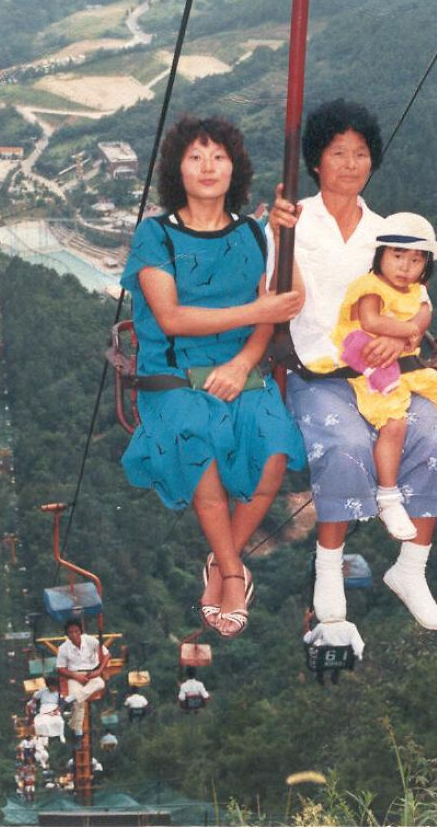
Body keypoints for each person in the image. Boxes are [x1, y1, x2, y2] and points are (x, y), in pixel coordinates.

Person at [268, 98, 437, 632]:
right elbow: (277, 295)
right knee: (345, 445)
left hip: (385, 367)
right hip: (320, 367)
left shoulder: (387, 232)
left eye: (361, 154)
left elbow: (413, 298)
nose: (351, 164)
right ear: (317, 160)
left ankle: (412, 567)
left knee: (430, 433)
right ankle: (329, 567)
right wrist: (278, 234)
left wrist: (403, 337)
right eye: (339, 153)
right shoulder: (293, 221)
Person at [120, 115, 306, 638]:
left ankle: (222, 558)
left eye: (218, 157)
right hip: (174, 372)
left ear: (234, 169)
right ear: (177, 169)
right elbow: (173, 316)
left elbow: (274, 311)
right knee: (196, 441)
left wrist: (244, 362)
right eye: (195, 157)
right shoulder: (155, 236)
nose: (207, 167)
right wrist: (256, 312)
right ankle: (230, 572)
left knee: (273, 450)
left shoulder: (252, 232)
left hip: (239, 366)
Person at [323, 213, 437, 540]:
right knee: (394, 422)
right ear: (380, 256)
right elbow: (371, 321)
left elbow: (424, 311)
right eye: (397, 256)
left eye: (415, 260)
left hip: (408, 363)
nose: (405, 266)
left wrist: (410, 333)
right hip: (369, 362)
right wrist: (409, 332)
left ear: (425, 265)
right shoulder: (370, 286)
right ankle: (388, 494)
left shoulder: (417, 290)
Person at [55, 619, 111, 738]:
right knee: (79, 704)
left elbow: (106, 655)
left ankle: (71, 699)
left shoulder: (91, 641)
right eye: (71, 632)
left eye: (76, 631)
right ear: (67, 635)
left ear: (81, 631)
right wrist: (76, 676)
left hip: (91, 672)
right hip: (74, 675)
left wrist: (98, 671)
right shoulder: (63, 648)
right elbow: (60, 668)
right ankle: (77, 730)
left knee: (100, 683)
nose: (74, 634)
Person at [27, 675, 69, 743]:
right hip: (44, 709)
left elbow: (62, 703)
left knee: (60, 722)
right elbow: (35, 698)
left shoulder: (58, 693)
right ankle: (44, 738)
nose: (52, 688)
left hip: (54, 708)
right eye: (50, 686)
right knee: (42, 723)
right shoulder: (43, 691)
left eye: (53, 686)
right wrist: (32, 704)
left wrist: (58, 710)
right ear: (48, 686)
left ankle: (61, 735)